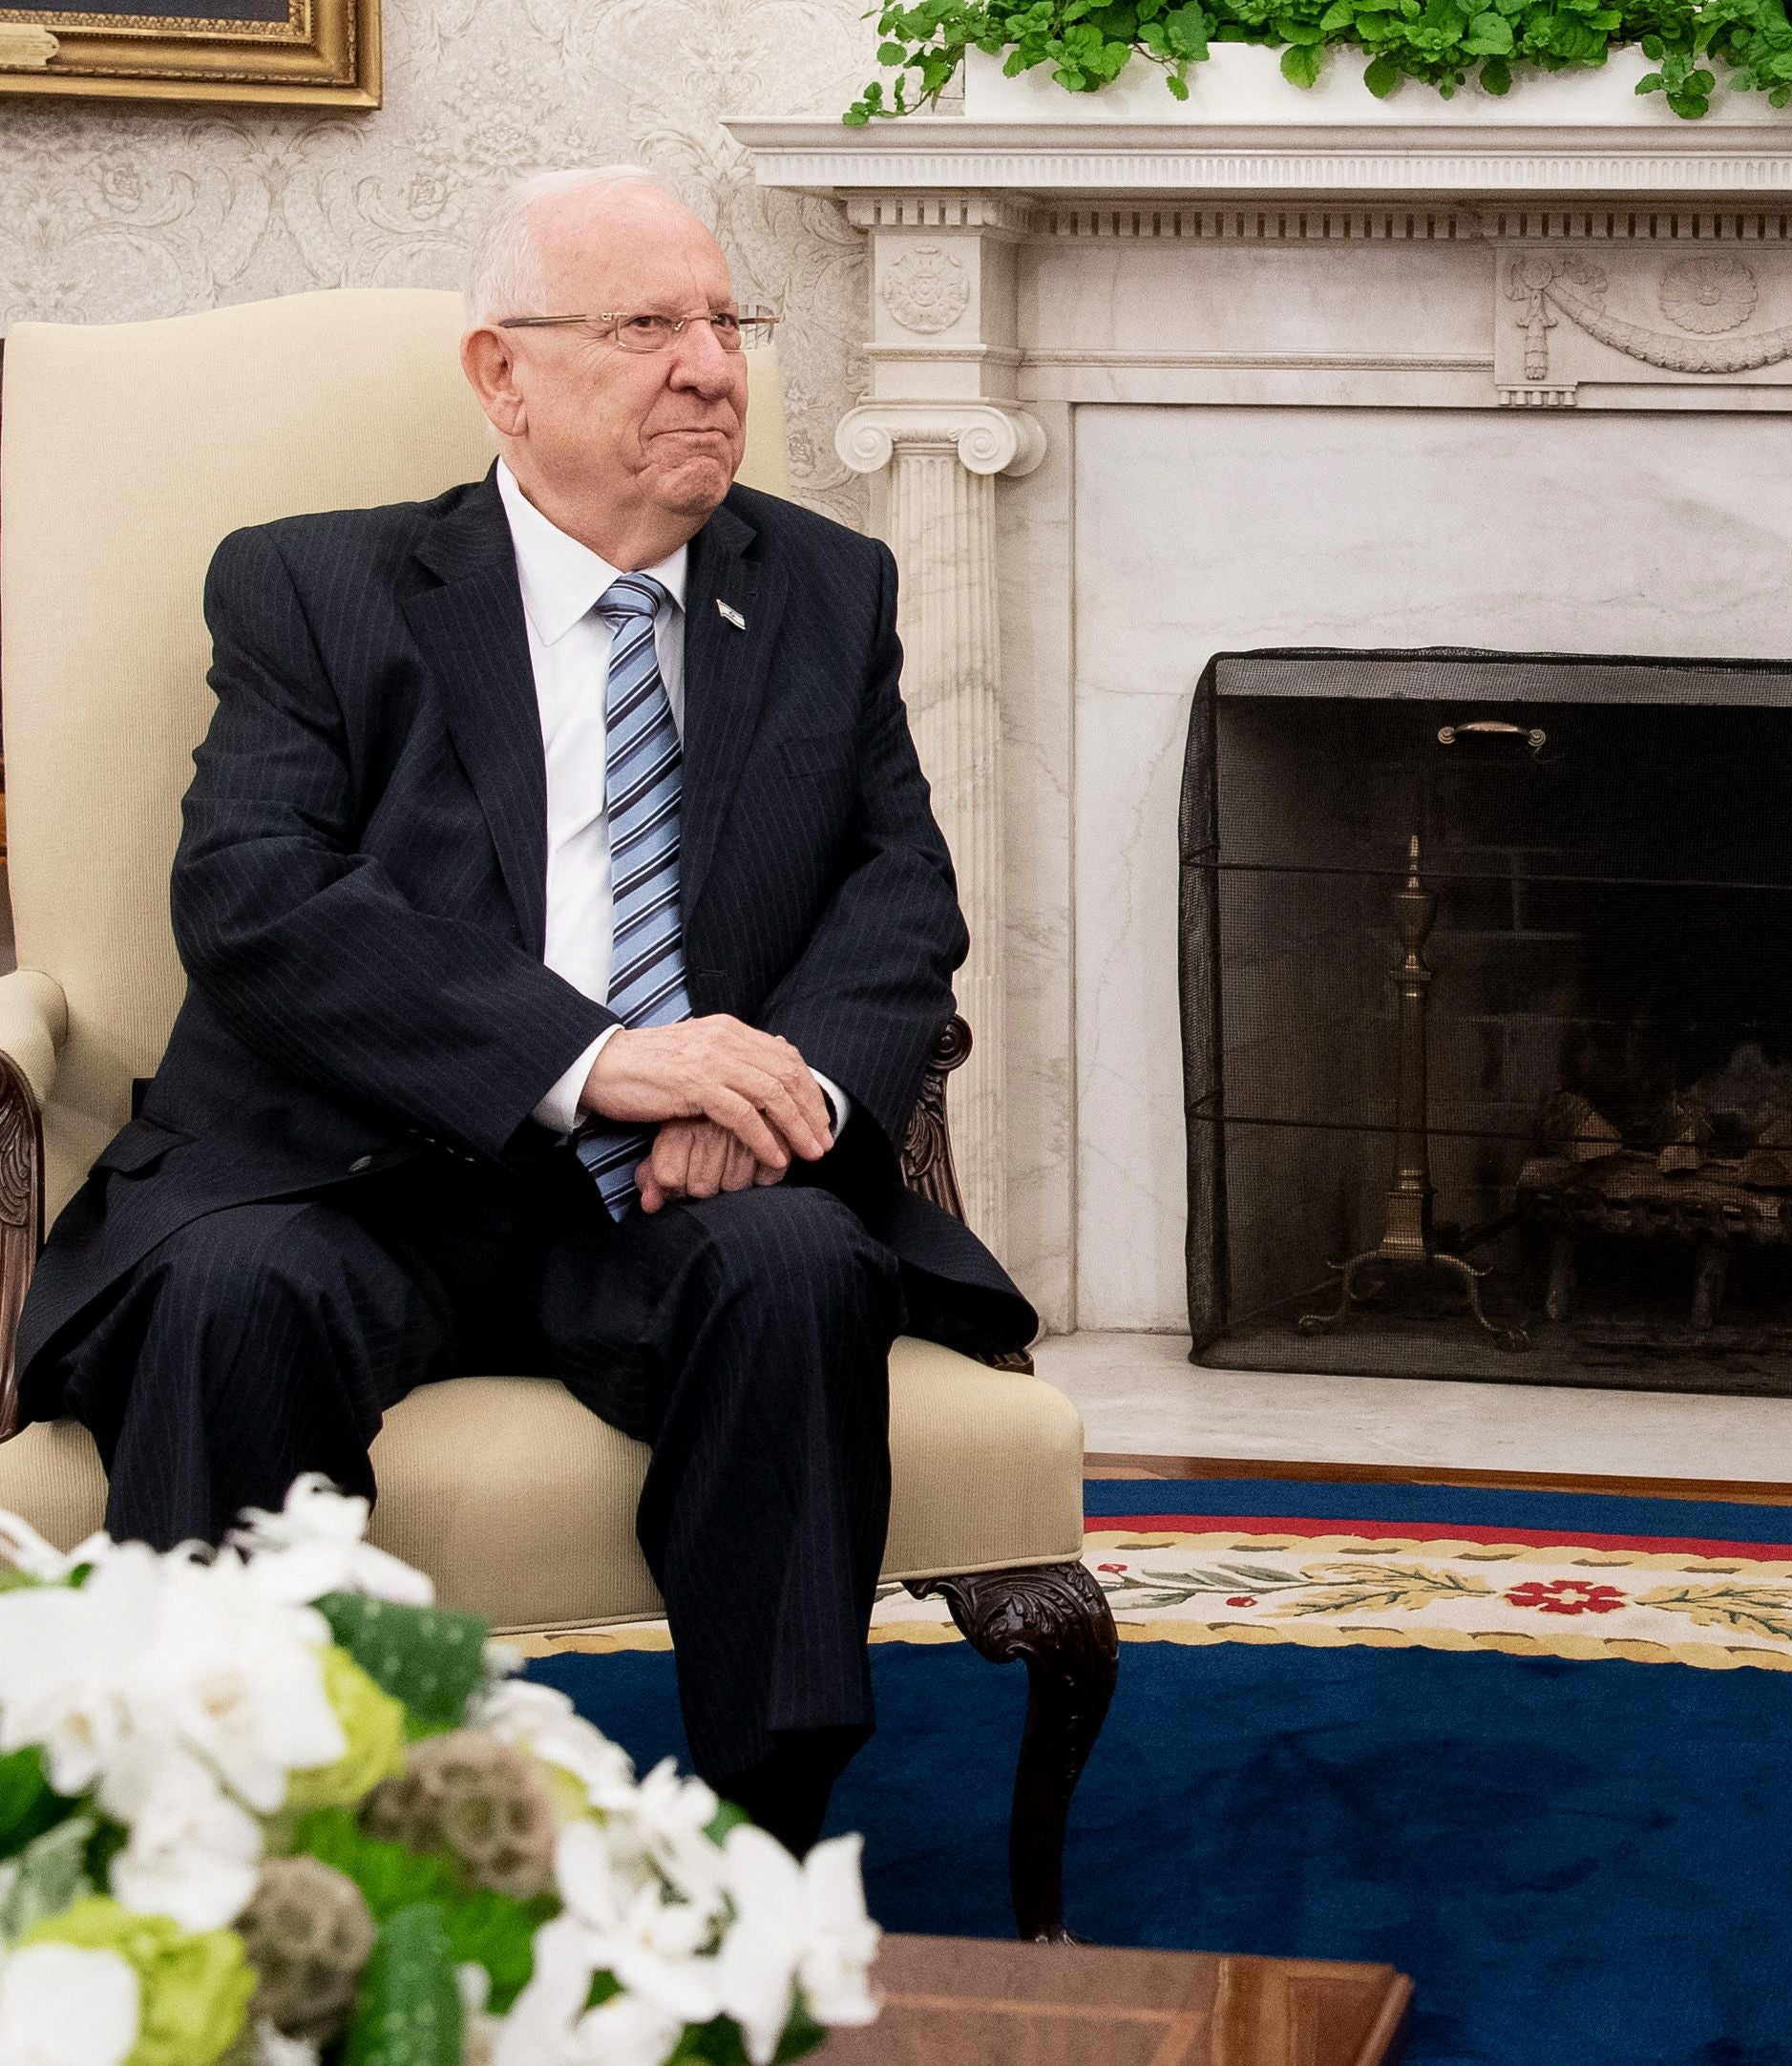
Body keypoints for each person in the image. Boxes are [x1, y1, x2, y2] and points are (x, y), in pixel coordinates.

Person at [11, 165, 1037, 1850]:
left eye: (726, 322)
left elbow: (897, 895)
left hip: (682, 1192)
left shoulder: (825, 592)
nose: (713, 366)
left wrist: (775, 1094)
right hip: (356, 1165)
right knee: (234, 1295)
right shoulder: (316, 590)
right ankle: (226, 1845)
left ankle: (762, 1838)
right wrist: (604, 1061)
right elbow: (255, 894)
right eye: (649, 327)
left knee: (798, 1267)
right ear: (506, 375)